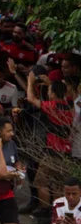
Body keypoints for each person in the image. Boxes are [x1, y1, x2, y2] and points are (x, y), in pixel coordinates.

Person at [27, 73, 74, 216]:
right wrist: (51, 84)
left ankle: (45, 210)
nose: (47, 93)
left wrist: (30, 82)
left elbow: (31, 99)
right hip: (67, 153)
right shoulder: (71, 106)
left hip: (53, 152)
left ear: (53, 94)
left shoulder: (51, 106)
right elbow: (65, 94)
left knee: (41, 181)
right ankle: (58, 212)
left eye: (49, 91)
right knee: (59, 183)